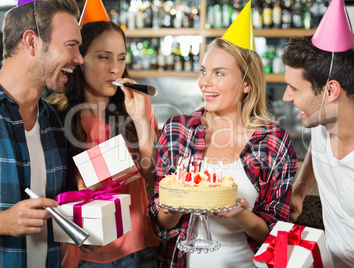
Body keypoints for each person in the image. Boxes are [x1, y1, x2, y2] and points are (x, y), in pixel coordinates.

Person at [147, 7, 298, 265]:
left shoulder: (273, 142)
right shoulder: (177, 131)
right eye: (204, 71)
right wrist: (169, 209)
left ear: (247, 83)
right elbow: (159, 226)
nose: (205, 82)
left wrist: (239, 213)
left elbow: (277, 234)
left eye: (219, 73)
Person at [47, 20, 159, 267]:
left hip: (137, 249)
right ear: (79, 59)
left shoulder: (137, 106)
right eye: (104, 57)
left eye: (121, 58)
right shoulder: (54, 114)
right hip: (83, 252)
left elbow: (153, 179)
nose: (115, 69)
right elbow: (69, 187)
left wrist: (140, 120)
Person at [282, 34, 354, 268]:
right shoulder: (325, 118)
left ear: (330, 91)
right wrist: (299, 190)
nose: (287, 96)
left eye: (294, 88)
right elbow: (317, 150)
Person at [0, 0, 83, 267]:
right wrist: (3, 223)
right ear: (32, 42)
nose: (79, 59)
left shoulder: (55, 124)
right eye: (71, 45)